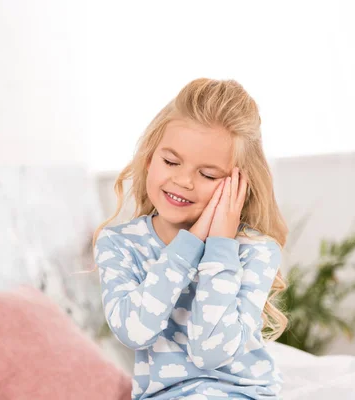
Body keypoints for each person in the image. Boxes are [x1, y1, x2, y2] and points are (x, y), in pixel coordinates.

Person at [93, 78, 288, 400]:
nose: (183, 181)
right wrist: (191, 242)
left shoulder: (255, 250)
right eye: (170, 162)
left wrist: (220, 247)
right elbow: (135, 331)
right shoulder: (120, 243)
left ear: (239, 186)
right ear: (149, 160)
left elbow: (211, 352)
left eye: (208, 175)